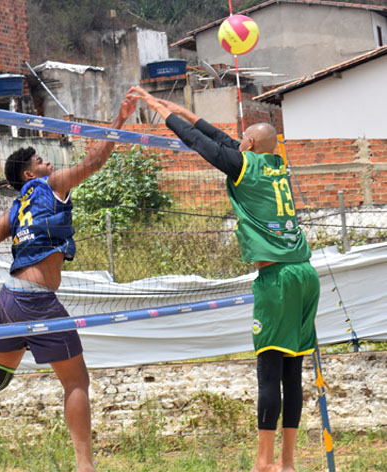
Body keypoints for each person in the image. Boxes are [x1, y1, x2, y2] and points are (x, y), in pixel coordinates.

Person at [0, 92, 139, 472]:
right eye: (40, 161)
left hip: (10, 299)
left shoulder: (16, 208)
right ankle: (86, 466)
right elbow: (95, 162)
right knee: (77, 383)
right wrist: (120, 120)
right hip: (35, 302)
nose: (48, 162)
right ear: (30, 175)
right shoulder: (53, 185)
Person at [131, 87, 319, 472]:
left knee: (269, 371)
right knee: (292, 373)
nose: (238, 142)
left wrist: (156, 109)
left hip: (278, 279)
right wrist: (179, 108)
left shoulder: (242, 165)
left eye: (242, 139)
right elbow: (219, 137)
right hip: (305, 273)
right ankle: (286, 463)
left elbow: (202, 143)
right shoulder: (275, 164)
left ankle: (263, 462)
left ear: (248, 144)